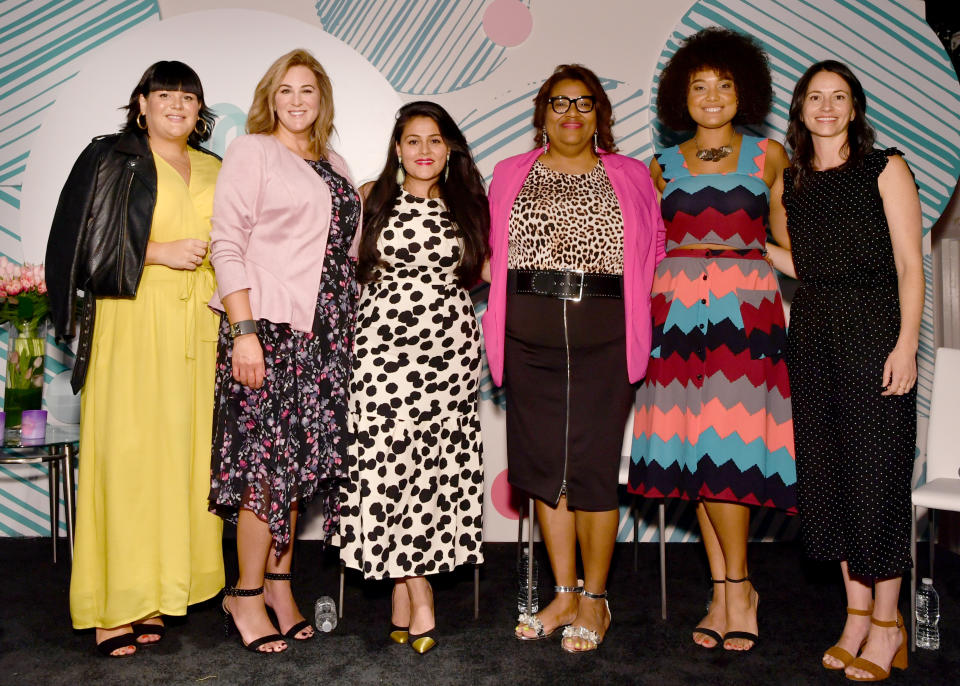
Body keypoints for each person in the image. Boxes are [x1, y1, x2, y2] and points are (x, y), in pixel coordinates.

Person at [483, 64, 664, 653]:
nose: (571, 114)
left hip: (605, 335)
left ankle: (595, 600)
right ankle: (562, 593)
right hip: (528, 336)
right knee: (543, 471)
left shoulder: (632, 175)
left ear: (599, 116)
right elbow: (490, 247)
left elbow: (655, 248)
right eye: (559, 103)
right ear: (541, 114)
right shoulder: (511, 173)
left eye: (584, 104)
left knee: (589, 469)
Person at [45, 61, 224, 657]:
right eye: (165, 94)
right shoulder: (108, 159)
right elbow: (74, 250)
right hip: (130, 321)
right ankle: (110, 605)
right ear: (141, 102)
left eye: (188, 96)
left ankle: (156, 596)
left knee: (180, 462)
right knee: (125, 460)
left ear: (201, 110)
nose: (177, 104)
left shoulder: (214, 167)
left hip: (198, 331)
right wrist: (155, 251)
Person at [628, 27, 796, 653]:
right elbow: (647, 248)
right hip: (674, 312)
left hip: (744, 311)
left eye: (724, 85)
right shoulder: (660, 166)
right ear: (682, 96)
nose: (712, 96)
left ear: (743, 91)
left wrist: (756, 260)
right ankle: (727, 592)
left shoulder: (768, 155)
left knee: (731, 454)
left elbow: (789, 240)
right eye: (699, 86)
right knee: (695, 455)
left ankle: (738, 589)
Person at [766, 60, 922, 682]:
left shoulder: (886, 167)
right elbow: (809, 267)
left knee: (876, 481)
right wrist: (735, 249)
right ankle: (854, 618)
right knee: (829, 482)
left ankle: (888, 623)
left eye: (839, 97)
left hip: (876, 335)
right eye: (814, 97)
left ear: (854, 107)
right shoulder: (793, 183)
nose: (826, 107)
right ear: (800, 108)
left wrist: (907, 344)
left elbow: (911, 265)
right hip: (813, 341)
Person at [207, 48, 360, 654]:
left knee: (293, 472)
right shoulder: (253, 151)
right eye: (286, 91)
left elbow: (345, 254)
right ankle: (243, 594)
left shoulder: (336, 161)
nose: (297, 101)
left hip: (325, 336)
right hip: (268, 330)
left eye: (308, 91)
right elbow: (226, 242)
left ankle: (278, 585)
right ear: (270, 99)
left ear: (322, 100)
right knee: (263, 471)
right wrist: (243, 331)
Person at [337, 101, 488, 655]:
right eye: (412, 140)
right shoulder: (371, 197)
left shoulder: (469, 205)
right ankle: (419, 592)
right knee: (385, 464)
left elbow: (488, 271)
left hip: (446, 355)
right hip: (380, 355)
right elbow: (342, 271)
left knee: (430, 469)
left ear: (449, 149)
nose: (423, 150)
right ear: (397, 148)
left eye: (434, 140)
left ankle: (404, 591)